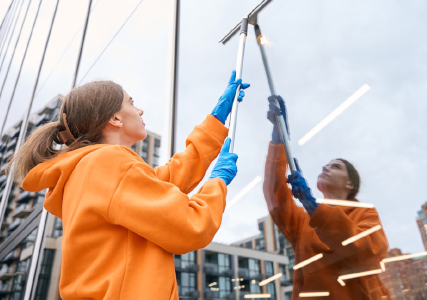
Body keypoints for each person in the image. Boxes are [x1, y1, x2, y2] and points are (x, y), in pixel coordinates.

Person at [6, 71, 249, 300]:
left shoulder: (87, 169)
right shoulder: (108, 163)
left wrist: (215, 121)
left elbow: (161, 184)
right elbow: (190, 225)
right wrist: (217, 181)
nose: (140, 110)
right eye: (132, 103)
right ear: (115, 118)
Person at [263, 95, 392, 300]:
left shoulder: (364, 213)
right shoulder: (303, 221)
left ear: (350, 185)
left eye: (336, 166)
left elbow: (366, 253)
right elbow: (275, 195)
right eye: (326, 165)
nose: (325, 167)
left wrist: (313, 205)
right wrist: (279, 140)